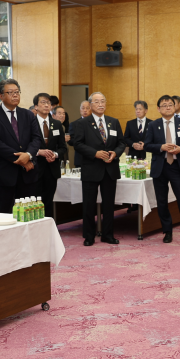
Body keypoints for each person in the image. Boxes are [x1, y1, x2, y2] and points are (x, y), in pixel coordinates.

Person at [143, 95, 180, 244]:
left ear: (175, 107)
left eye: (170, 104)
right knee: (162, 202)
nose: (168, 107)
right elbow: (147, 145)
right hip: (160, 167)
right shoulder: (153, 125)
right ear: (158, 109)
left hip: (177, 166)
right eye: (164, 105)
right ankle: (167, 231)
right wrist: (161, 147)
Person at [70, 91, 124, 246]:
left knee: (109, 205)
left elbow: (121, 142)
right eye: (97, 102)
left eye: (103, 101)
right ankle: (89, 236)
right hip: (91, 168)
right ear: (90, 105)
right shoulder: (82, 123)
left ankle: (108, 235)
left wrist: (116, 153)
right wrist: (95, 153)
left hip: (110, 168)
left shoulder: (113, 122)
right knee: (88, 205)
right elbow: (78, 144)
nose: (101, 104)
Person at [0, 79, 41, 215]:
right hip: (3, 176)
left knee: (27, 216)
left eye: (17, 92)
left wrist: (28, 156)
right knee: (2, 216)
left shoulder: (28, 115)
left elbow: (36, 138)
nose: (15, 95)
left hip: (27, 177)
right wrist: (21, 159)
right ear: (1, 96)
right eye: (10, 92)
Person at [32, 92, 66, 218]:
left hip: (52, 169)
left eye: (48, 103)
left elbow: (63, 147)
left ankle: (48, 230)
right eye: (43, 102)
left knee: (48, 201)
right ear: (36, 106)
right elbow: (24, 146)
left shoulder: (56, 124)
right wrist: (38, 152)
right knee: (35, 202)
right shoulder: (30, 123)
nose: (47, 105)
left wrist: (55, 155)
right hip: (34, 168)